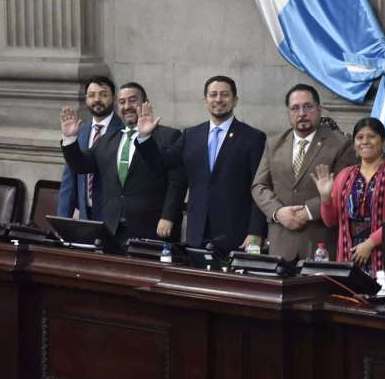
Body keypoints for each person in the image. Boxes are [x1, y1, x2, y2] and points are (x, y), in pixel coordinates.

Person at [135, 75, 266, 251]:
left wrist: (256, 231)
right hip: (197, 233)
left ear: (235, 100)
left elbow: (260, 187)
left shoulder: (253, 138)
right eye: (213, 95)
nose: (218, 99)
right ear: (205, 100)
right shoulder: (191, 135)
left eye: (224, 94)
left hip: (237, 234)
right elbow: (161, 165)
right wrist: (145, 137)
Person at [60, 82, 187, 242]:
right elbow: (81, 166)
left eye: (133, 100)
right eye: (122, 102)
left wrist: (168, 216)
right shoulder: (107, 139)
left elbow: (177, 181)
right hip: (112, 228)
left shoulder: (169, 136)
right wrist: (70, 139)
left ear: (145, 103)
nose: (127, 106)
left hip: (153, 228)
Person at [252, 84, 357, 261]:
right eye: (295, 108)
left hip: (319, 242)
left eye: (307, 106)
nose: (301, 113)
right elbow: (259, 185)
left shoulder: (341, 144)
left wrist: (308, 211)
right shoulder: (274, 144)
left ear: (319, 109)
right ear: (288, 113)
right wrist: (278, 212)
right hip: (280, 242)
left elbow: (344, 188)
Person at [312, 117, 385, 275]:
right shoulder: (345, 175)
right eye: (359, 137)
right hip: (348, 257)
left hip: (384, 259)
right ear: (354, 144)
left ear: (383, 141)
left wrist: (369, 243)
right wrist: (325, 198)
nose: (365, 141)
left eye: (372, 136)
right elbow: (330, 221)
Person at [56, 76, 123, 220]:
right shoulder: (79, 132)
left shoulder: (123, 131)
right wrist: (63, 219)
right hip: (85, 214)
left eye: (103, 95)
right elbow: (70, 178)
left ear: (114, 98)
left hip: (114, 218)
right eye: (91, 95)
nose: (97, 100)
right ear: (86, 99)